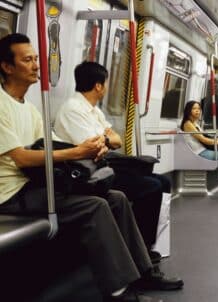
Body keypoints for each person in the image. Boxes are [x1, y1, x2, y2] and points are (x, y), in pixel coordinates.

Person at [0, 33, 179, 302]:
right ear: (7, 67)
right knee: (95, 205)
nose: (37, 65)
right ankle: (120, 291)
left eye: (37, 58)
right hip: (12, 193)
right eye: (28, 60)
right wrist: (78, 152)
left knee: (116, 198)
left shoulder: (30, 108)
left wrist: (90, 149)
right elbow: (22, 158)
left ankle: (144, 271)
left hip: (35, 184)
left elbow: (47, 147)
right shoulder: (2, 105)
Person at [53, 61, 181, 271]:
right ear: (98, 86)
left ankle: (143, 243)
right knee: (151, 186)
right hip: (86, 172)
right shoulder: (72, 109)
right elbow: (94, 147)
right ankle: (139, 248)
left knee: (163, 181)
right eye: (106, 83)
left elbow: (117, 140)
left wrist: (104, 139)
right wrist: (105, 139)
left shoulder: (93, 110)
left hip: (103, 165)